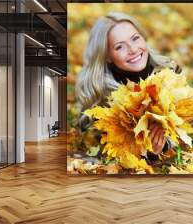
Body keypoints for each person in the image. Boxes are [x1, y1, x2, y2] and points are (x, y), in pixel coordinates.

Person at [76, 12, 181, 156]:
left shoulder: (168, 71)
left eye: (135, 38)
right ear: (107, 56)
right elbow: (98, 143)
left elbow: (184, 123)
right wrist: (142, 150)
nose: (133, 49)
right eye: (120, 47)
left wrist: (165, 142)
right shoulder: (103, 92)